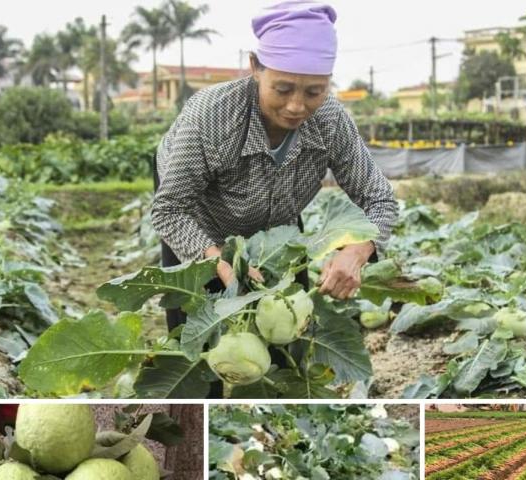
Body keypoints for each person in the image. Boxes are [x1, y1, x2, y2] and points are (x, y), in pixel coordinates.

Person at [152, 1, 398, 331]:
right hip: (199, 215)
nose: (297, 106)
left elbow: (379, 199)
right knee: (198, 337)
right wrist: (223, 265)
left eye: (314, 91)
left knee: (286, 331)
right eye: (282, 89)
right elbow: (170, 210)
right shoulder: (212, 116)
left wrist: (357, 251)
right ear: (256, 67)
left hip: (277, 222)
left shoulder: (330, 122)